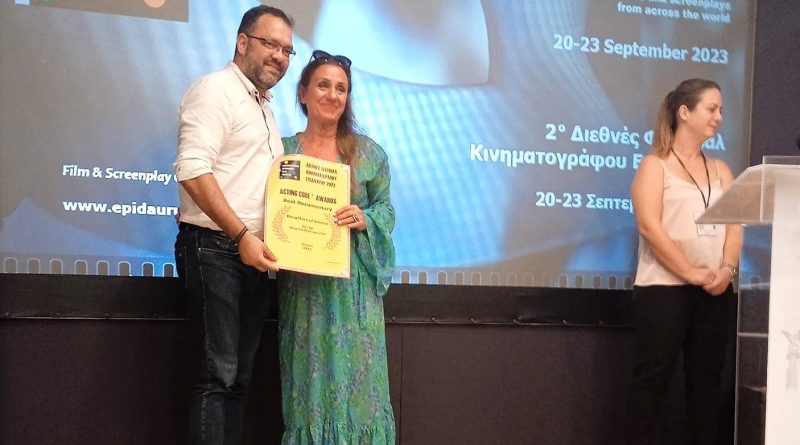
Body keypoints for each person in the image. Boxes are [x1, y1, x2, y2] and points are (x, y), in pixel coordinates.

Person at [173, 6, 294, 444]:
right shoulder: (215, 91)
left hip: (253, 257)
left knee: (237, 381)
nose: (279, 56)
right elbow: (191, 170)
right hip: (216, 248)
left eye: (287, 50)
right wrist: (241, 235)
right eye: (270, 44)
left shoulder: (264, 107)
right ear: (242, 42)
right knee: (217, 379)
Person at [277, 50, 397, 444]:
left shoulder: (368, 154)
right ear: (303, 93)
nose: (333, 95)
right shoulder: (281, 151)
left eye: (341, 88)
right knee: (309, 387)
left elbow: (386, 210)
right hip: (304, 292)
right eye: (323, 85)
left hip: (354, 294)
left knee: (361, 391)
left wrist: (366, 218)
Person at [626, 78, 743, 445]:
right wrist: (689, 271)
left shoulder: (721, 170)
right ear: (684, 112)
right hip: (663, 292)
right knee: (653, 381)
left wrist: (727, 271)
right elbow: (649, 226)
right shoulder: (654, 166)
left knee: (707, 382)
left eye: (721, 110)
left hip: (713, 292)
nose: (719, 117)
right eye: (712, 109)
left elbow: (735, 227)